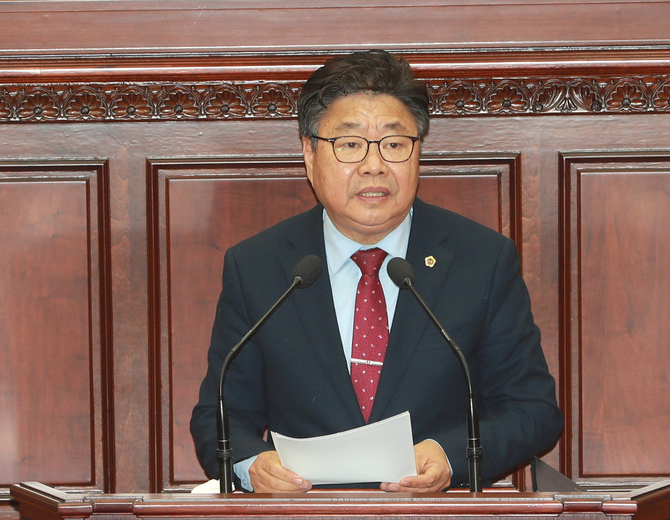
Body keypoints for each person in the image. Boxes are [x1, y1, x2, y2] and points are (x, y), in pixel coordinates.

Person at [190, 49, 563, 493]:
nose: (373, 165)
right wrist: (251, 465)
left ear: (418, 151)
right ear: (309, 153)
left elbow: (532, 409)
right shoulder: (259, 266)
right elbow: (220, 416)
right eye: (350, 144)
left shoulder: (481, 260)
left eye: (394, 144)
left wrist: (450, 455)